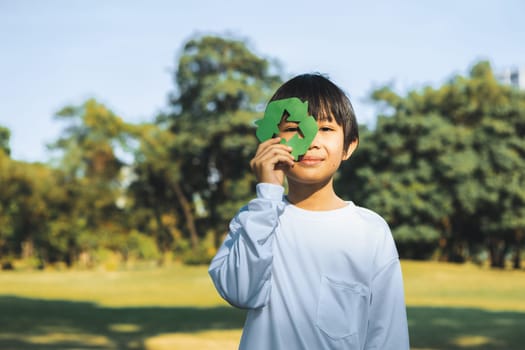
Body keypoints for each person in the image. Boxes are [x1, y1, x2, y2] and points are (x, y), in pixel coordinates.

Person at [208, 73, 410, 350]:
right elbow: (239, 291)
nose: (312, 141)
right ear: (271, 139)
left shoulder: (370, 231)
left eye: (326, 129)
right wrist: (267, 195)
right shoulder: (255, 219)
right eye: (294, 128)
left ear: (349, 146)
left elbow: (388, 334)